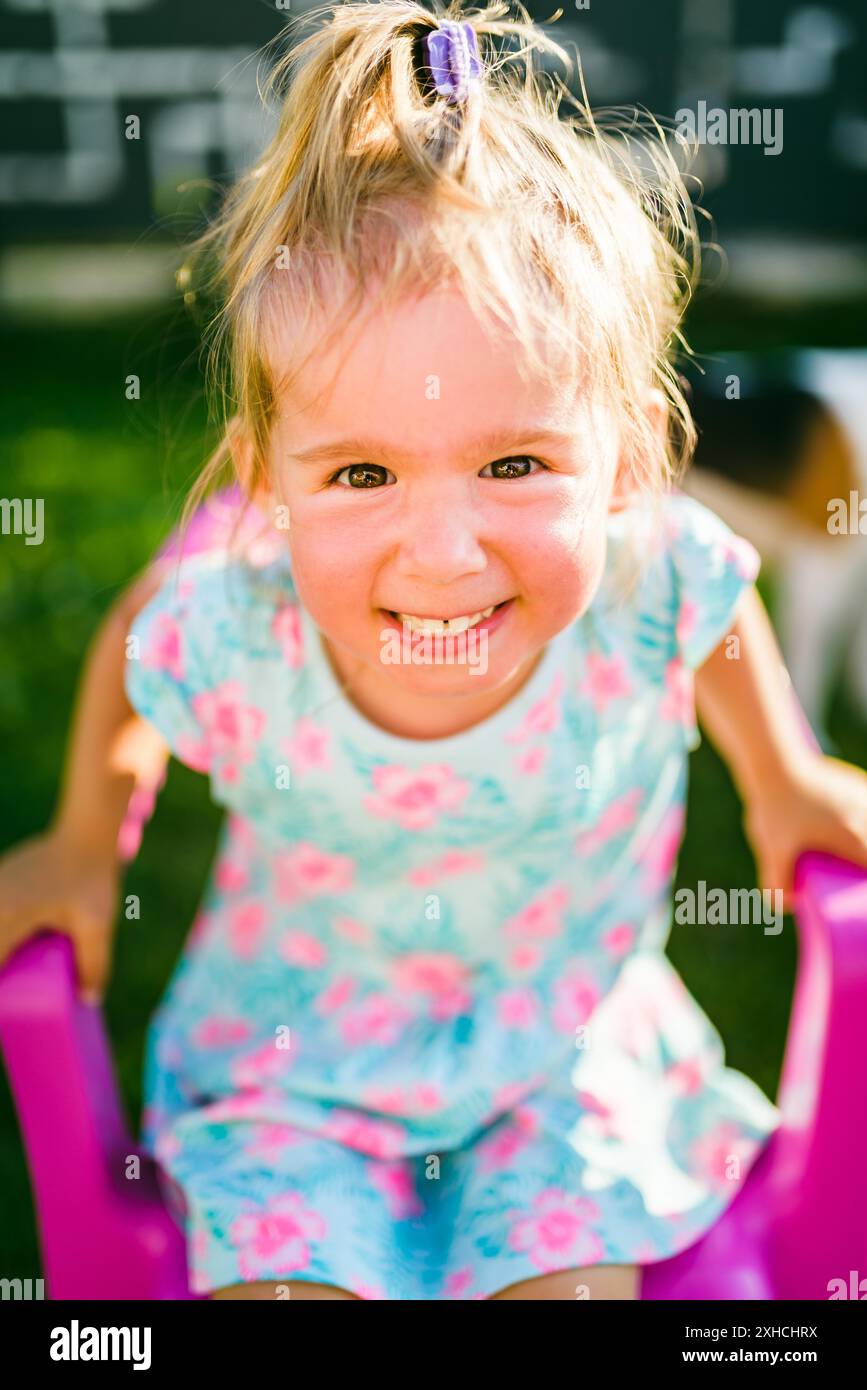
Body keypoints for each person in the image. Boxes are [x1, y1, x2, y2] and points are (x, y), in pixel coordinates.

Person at [3, 1, 867, 1302]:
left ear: (629, 462)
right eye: (360, 472)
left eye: (516, 462)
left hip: (558, 1051)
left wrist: (784, 772)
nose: (446, 553)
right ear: (264, 490)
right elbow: (139, 635)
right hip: (295, 1068)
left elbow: (716, 612)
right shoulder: (240, 619)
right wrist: (86, 831)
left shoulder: (650, 570)